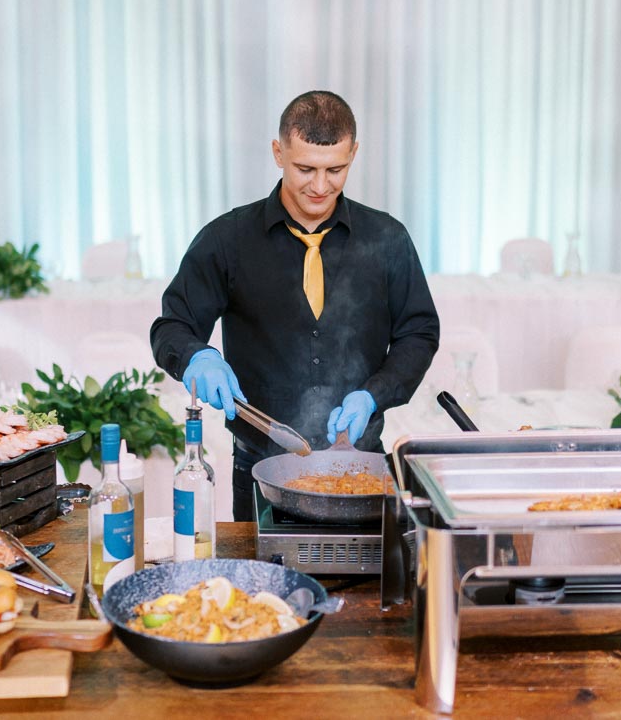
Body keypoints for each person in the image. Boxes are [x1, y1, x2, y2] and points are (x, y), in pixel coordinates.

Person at [150, 90, 440, 521]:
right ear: (278, 152)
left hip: (361, 465)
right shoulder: (228, 240)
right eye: (305, 168)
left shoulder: (388, 239)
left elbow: (419, 332)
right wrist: (197, 356)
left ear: (353, 154)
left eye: (335, 169)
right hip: (260, 470)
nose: (320, 186)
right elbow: (172, 326)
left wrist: (373, 394)